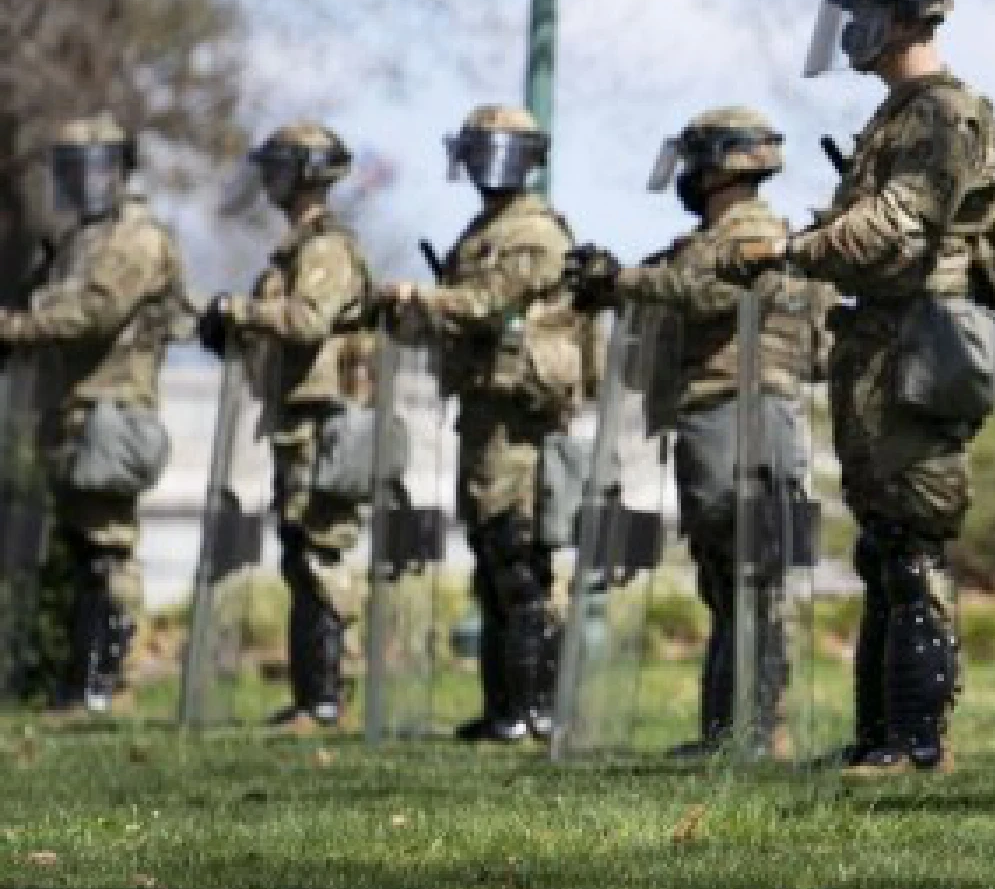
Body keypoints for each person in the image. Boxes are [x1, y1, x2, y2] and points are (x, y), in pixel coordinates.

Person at [721, 0, 995, 777]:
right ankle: (883, 734)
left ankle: (918, 739)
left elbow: (897, 227)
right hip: (885, 343)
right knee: (886, 541)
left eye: (863, 12)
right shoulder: (900, 112)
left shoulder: (942, 113)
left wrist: (791, 247)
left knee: (914, 541)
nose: (851, 29)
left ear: (905, 14)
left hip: (923, 344)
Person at [570, 106, 831, 755]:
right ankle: (726, 730)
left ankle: (757, 727)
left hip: (746, 408)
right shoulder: (714, 234)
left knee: (754, 565)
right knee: (725, 576)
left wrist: (622, 281)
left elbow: (713, 293)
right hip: (711, 412)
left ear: (720, 161)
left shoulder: (755, 230)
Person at [380, 105, 589, 743]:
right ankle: (505, 706)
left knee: (519, 556)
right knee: (492, 559)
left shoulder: (534, 231)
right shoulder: (484, 229)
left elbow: (490, 304)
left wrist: (421, 298)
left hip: (519, 416)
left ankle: (534, 708)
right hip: (482, 410)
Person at [0, 116, 188, 713]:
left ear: (120, 168)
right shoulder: (81, 238)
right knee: (84, 546)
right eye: (72, 170)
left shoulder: (135, 237)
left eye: (93, 168)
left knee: (109, 547)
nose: (81, 183)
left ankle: (110, 681)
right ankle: (83, 682)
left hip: (115, 410)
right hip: (74, 411)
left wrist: (18, 326)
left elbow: (94, 313)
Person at [196, 121, 373, 730]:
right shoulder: (294, 249)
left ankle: (327, 698)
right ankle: (310, 697)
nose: (268, 180)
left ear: (305, 173)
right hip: (295, 418)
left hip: (324, 422)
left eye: (278, 167)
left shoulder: (325, 248)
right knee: (300, 552)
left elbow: (308, 320)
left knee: (322, 552)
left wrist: (241, 310)